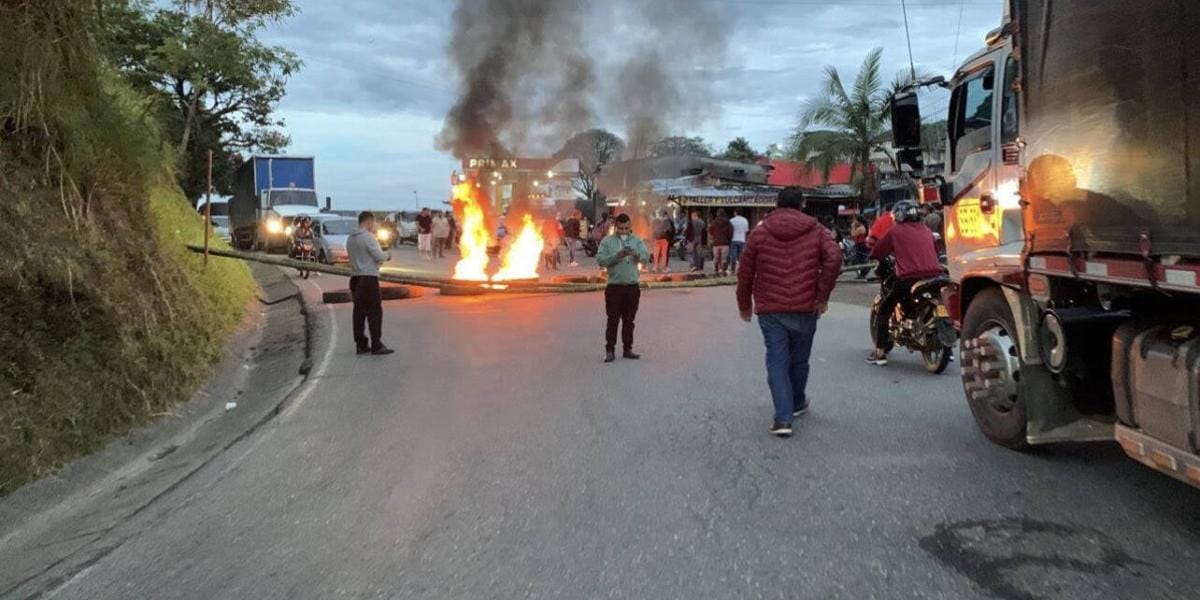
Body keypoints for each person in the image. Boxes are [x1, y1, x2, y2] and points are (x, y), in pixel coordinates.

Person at [736, 187, 842, 437]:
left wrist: (744, 305)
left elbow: (745, 270)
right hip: (806, 306)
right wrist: (822, 295)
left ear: (777, 203)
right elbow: (834, 257)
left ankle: (783, 419)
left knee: (777, 361)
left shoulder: (761, 232)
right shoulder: (817, 230)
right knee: (800, 360)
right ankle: (796, 402)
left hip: (770, 308)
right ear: (802, 204)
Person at [866, 200, 944, 366]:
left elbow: (879, 251)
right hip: (935, 276)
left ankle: (880, 352)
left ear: (899, 215)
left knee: (884, 309)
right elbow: (936, 251)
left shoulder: (896, 231)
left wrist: (874, 255)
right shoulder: (926, 230)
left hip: (909, 278)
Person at [596, 213, 650, 363]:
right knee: (613, 320)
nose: (624, 232)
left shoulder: (637, 240)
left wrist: (636, 254)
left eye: (626, 228)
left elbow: (646, 257)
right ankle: (610, 351)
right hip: (614, 287)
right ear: (615, 227)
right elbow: (600, 260)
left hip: (632, 287)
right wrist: (617, 256)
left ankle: (628, 349)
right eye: (621, 229)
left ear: (630, 227)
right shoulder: (607, 241)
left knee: (629, 321)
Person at [346, 211, 394, 356]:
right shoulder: (368, 237)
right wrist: (387, 255)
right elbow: (378, 255)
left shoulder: (350, 238)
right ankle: (376, 345)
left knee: (359, 313)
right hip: (368, 278)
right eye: (372, 223)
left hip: (355, 278)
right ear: (368, 221)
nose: (373, 226)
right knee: (374, 312)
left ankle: (360, 344)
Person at [708, 208, 733, 276]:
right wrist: (728, 239)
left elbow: (710, 231)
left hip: (716, 243)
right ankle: (723, 271)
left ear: (717, 214)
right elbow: (731, 233)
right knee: (724, 259)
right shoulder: (728, 222)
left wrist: (713, 238)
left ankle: (716, 272)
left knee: (716, 258)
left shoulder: (714, 222)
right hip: (725, 243)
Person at [729, 209, 749, 274]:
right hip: (742, 240)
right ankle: (741, 269)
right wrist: (745, 240)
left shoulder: (732, 220)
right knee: (741, 256)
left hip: (733, 239)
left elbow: (730, 231)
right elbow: (746, 232)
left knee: (733, 256)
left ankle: (732, 270)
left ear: (735, 213)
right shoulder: (745, 220)